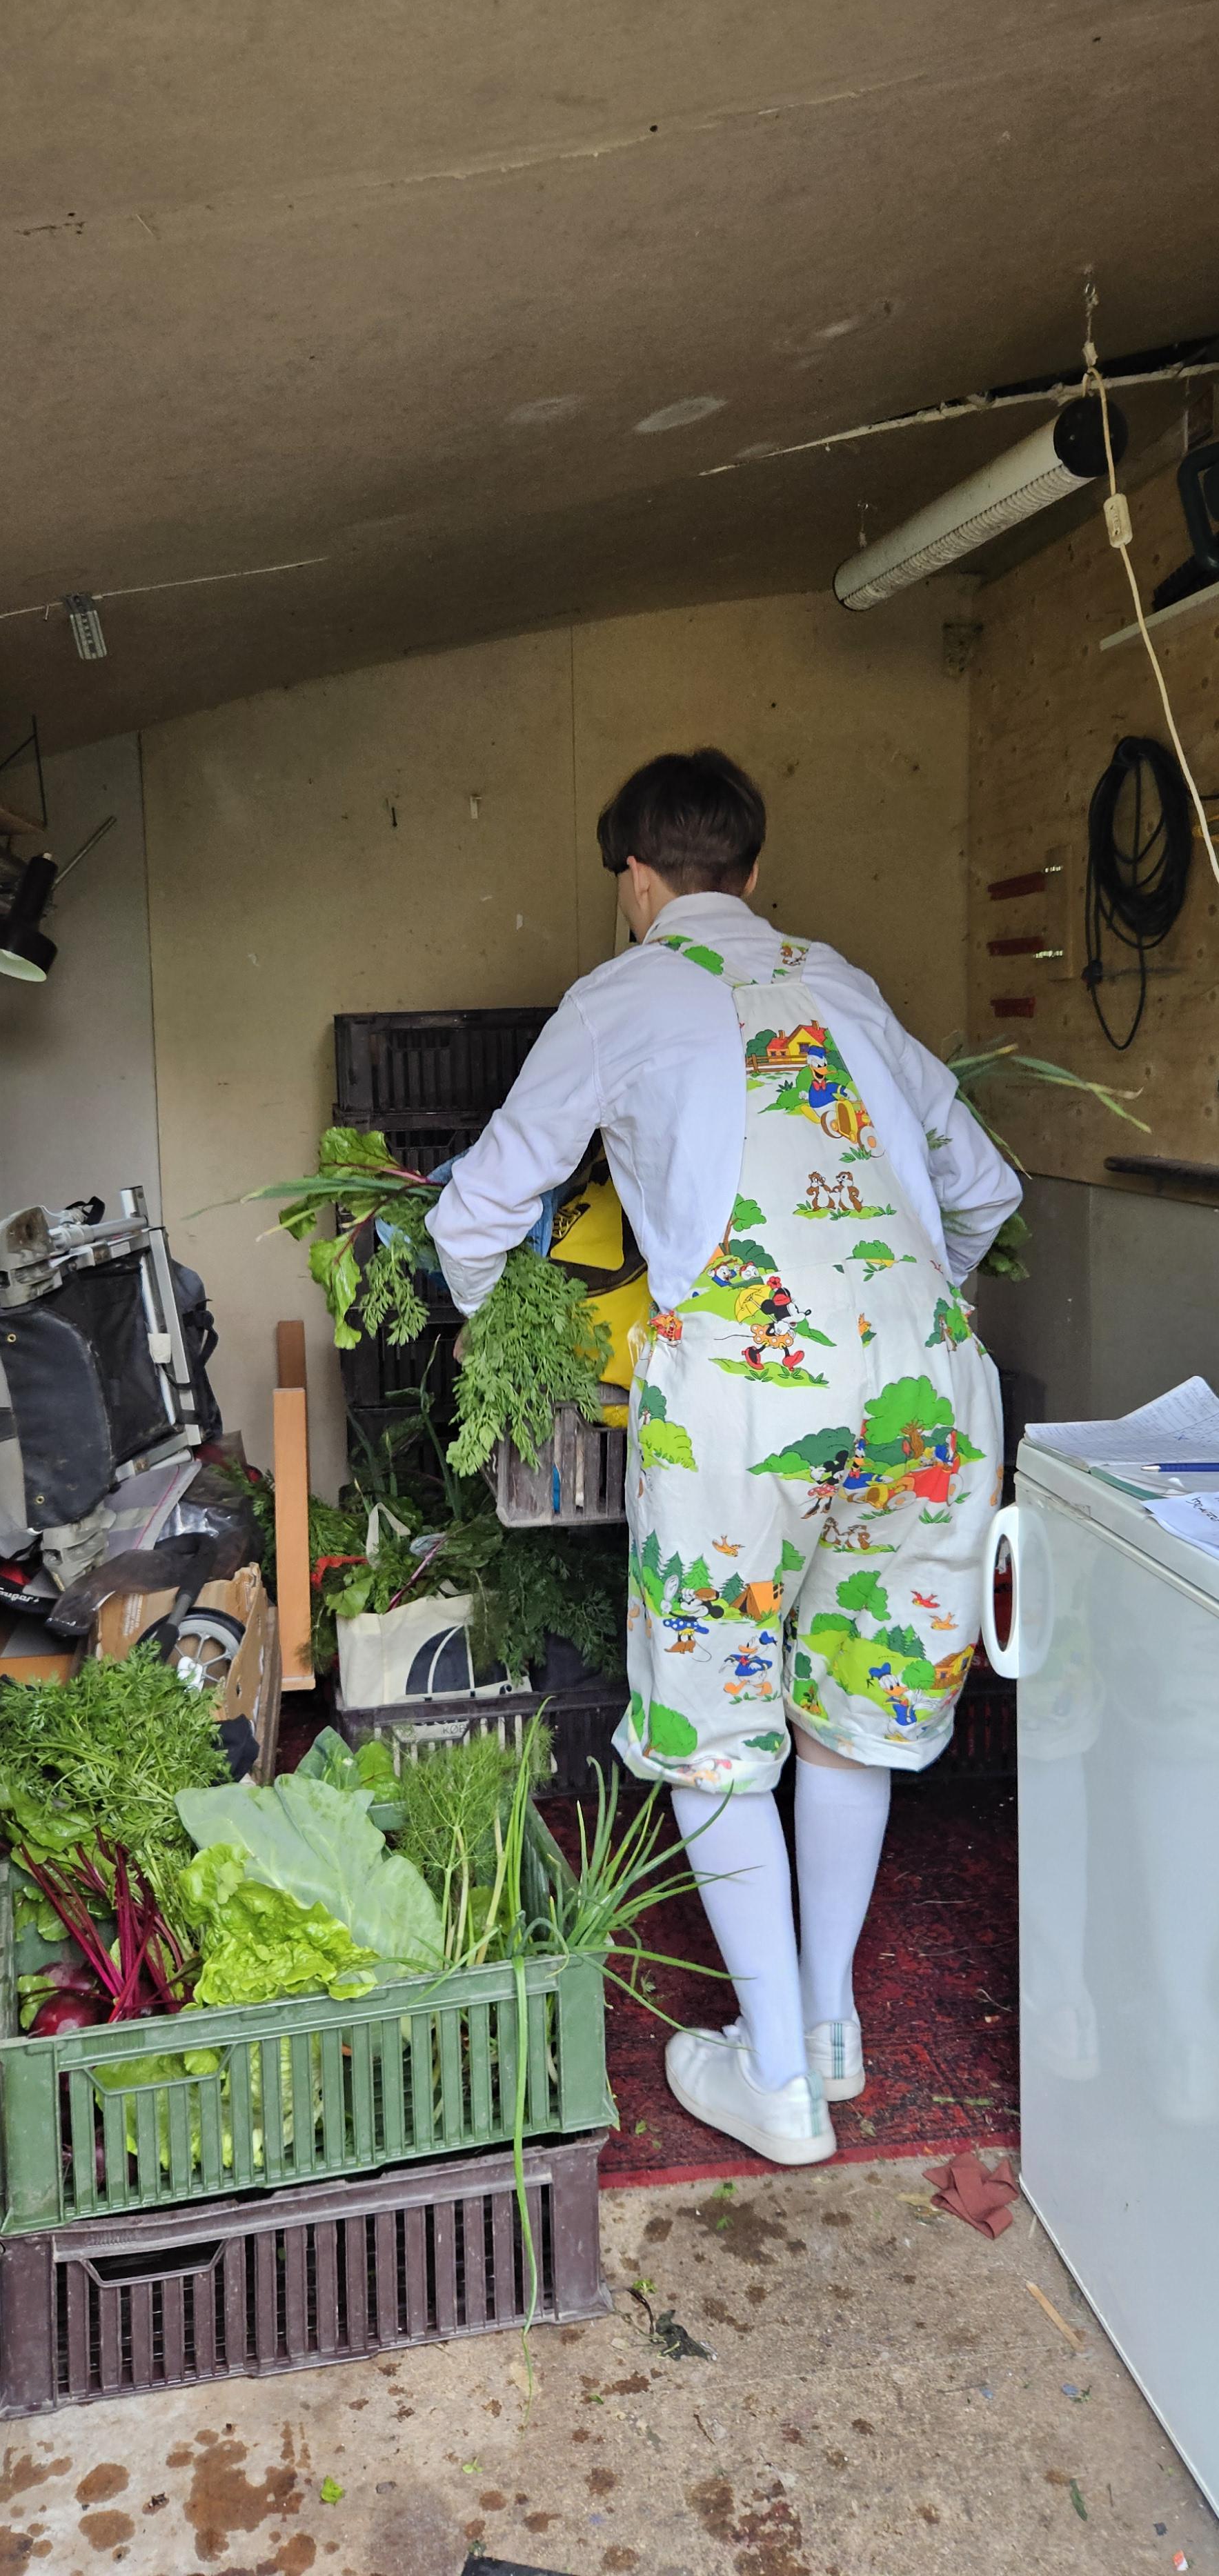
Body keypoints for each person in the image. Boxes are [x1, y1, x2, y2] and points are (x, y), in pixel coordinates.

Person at [428, 748, 1019, 2166]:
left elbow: (482, 1206)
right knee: (850, 1709)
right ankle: (828, 2028)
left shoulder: (621, 993)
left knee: (714, 1726)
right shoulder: (850, 982)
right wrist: (903, 1325)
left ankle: (774, 2076)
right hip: (931, 1395)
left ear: (637, 880)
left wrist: (490, 1328)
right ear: (754, 873)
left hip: (749, 1399)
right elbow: (983, 1188)